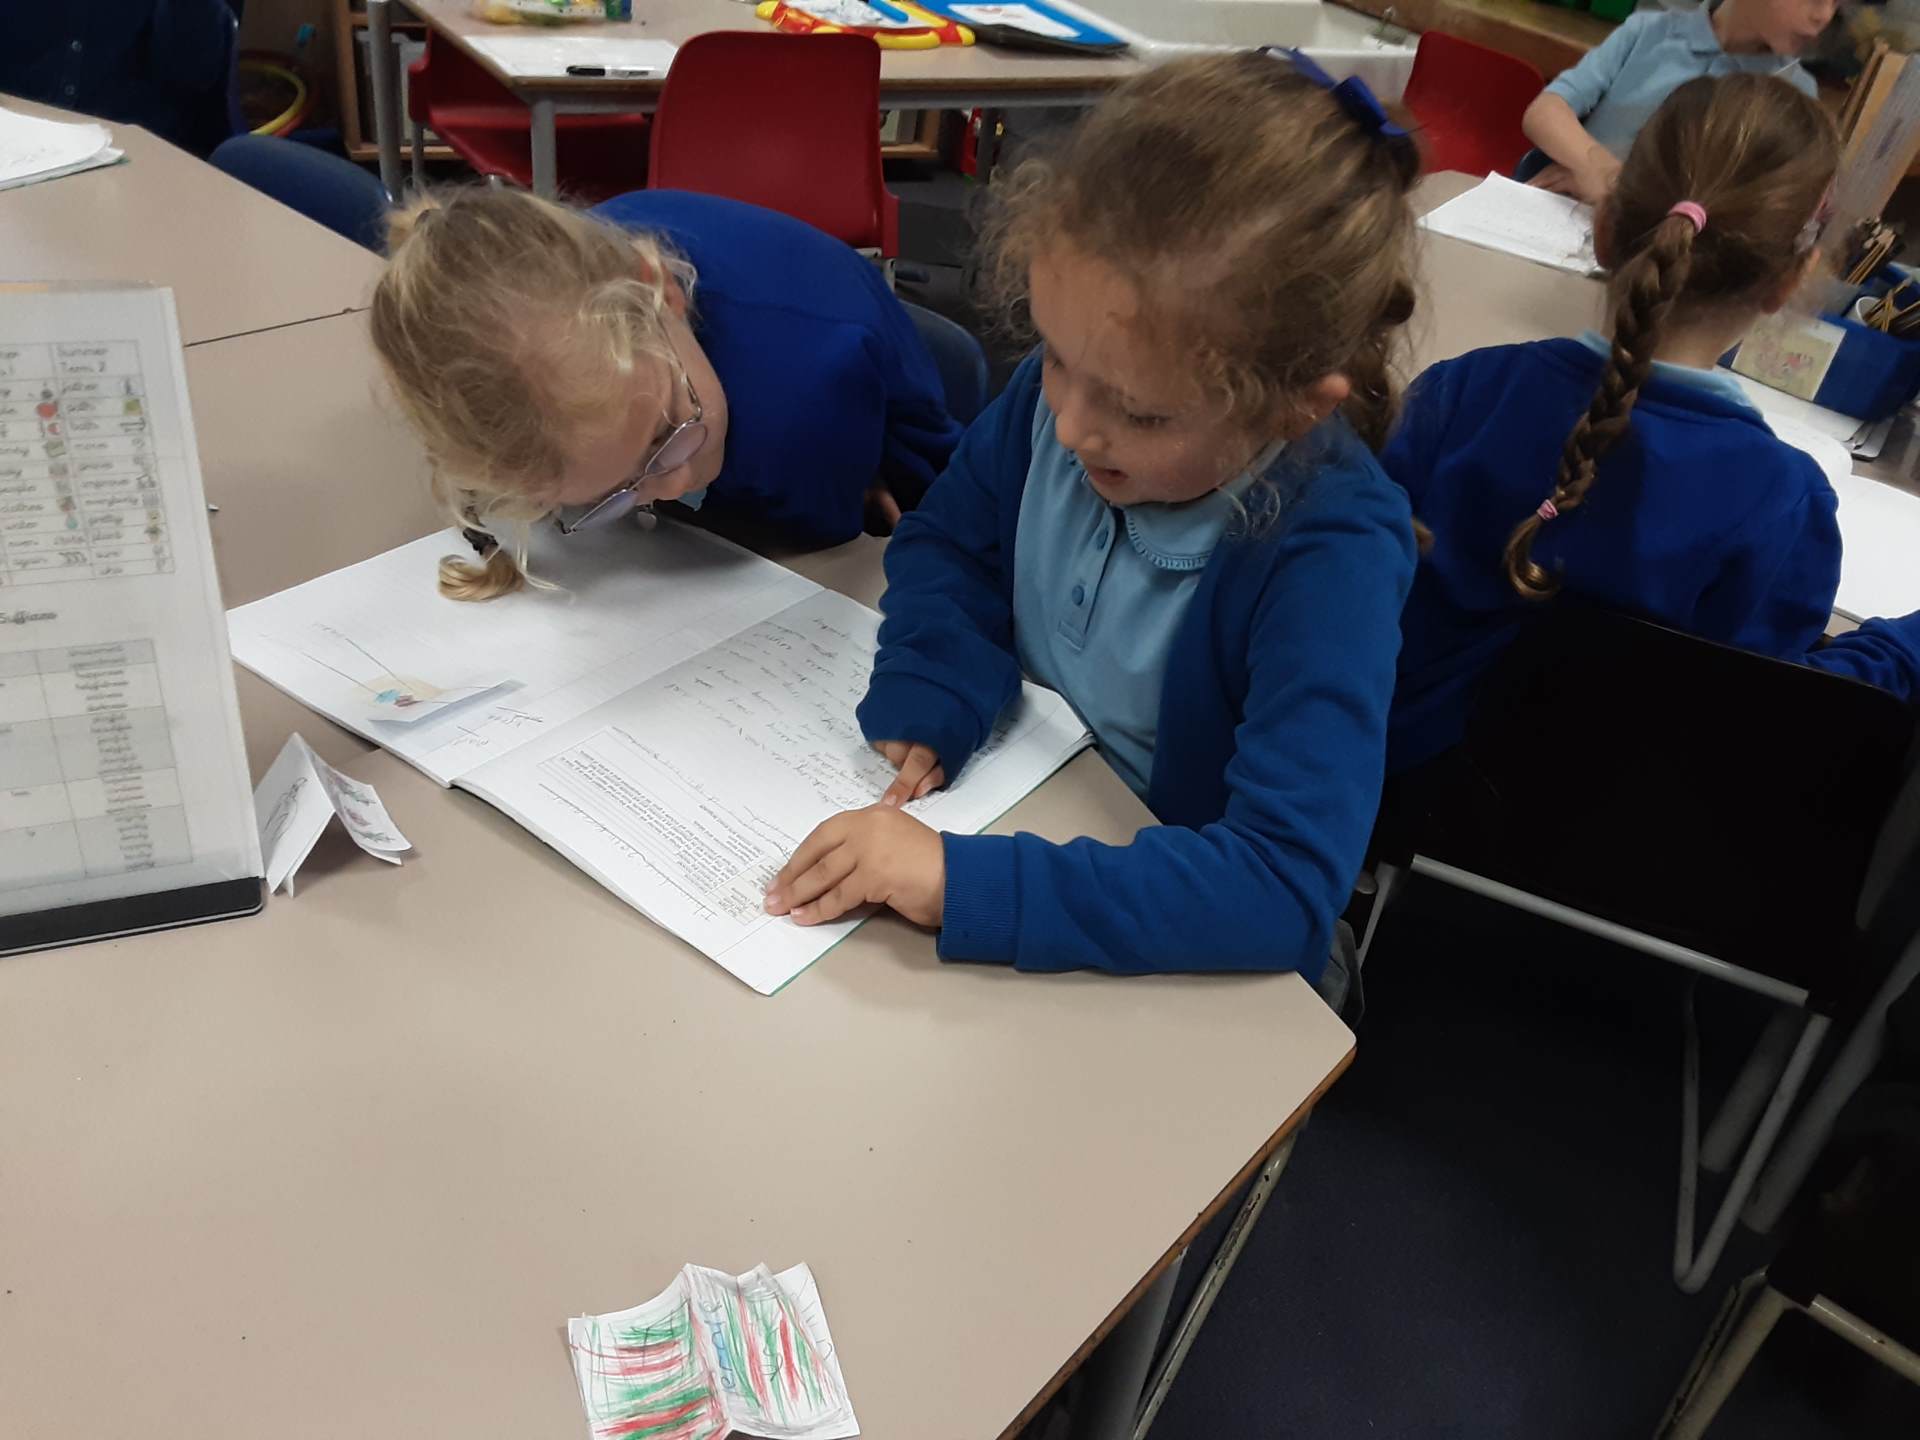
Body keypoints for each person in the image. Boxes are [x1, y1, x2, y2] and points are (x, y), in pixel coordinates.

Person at [761, 52, 1422, 999]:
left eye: (1140, 413)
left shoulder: (1329, 548)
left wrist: (957, 883)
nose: (1070, 426)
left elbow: (1281, 886)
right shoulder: (1077, 388)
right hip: (1033, 827)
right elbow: (950, 543)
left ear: (1292, 408)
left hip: (1189, 943)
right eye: (1055, 358)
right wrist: (939, 671)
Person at [1384, 74, 1920, 780]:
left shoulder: (1461, 392)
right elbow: (1769, 721)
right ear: (1790, 283)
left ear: (1606, 230)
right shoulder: (1782, 503)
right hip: (1581, 831)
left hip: (1375, 784)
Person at [369, 186, 961, 599]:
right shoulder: (579, 272)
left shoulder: (799, 410)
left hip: (882, 474)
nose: (673, 486)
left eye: (663, 434)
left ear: (664, 294)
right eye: (610, 494)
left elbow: (822, 550)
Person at [1521, 0, 1832, 205]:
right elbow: (1546, 111)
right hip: (1563, 223)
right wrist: (1600, 170)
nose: (1824, 16)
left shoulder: (1795, 94)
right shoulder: (1648, 31)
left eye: (1837, 3)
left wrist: (1619, 189)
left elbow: (1752, 211)